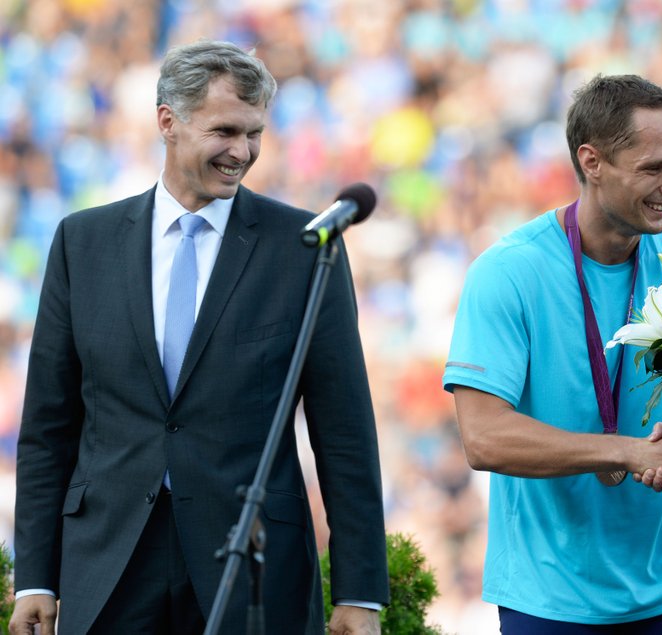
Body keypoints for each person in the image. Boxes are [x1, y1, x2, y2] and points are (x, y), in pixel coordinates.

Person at [10, 39, 388, 635]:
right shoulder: (82, 243)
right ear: (168, 121)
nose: (242, 151)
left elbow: (345, 434)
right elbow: (47, 429)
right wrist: (35, 577)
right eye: (225, 132)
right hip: (106, 564)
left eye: (254, 133)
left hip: (254, 573)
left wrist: (360, 591)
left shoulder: (304, 249)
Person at [442, 73, 662, 633]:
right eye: (653, 169)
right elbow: (484, 437)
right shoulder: (508, 271)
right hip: (550, 598)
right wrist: (626, 452)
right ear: (591, 162)